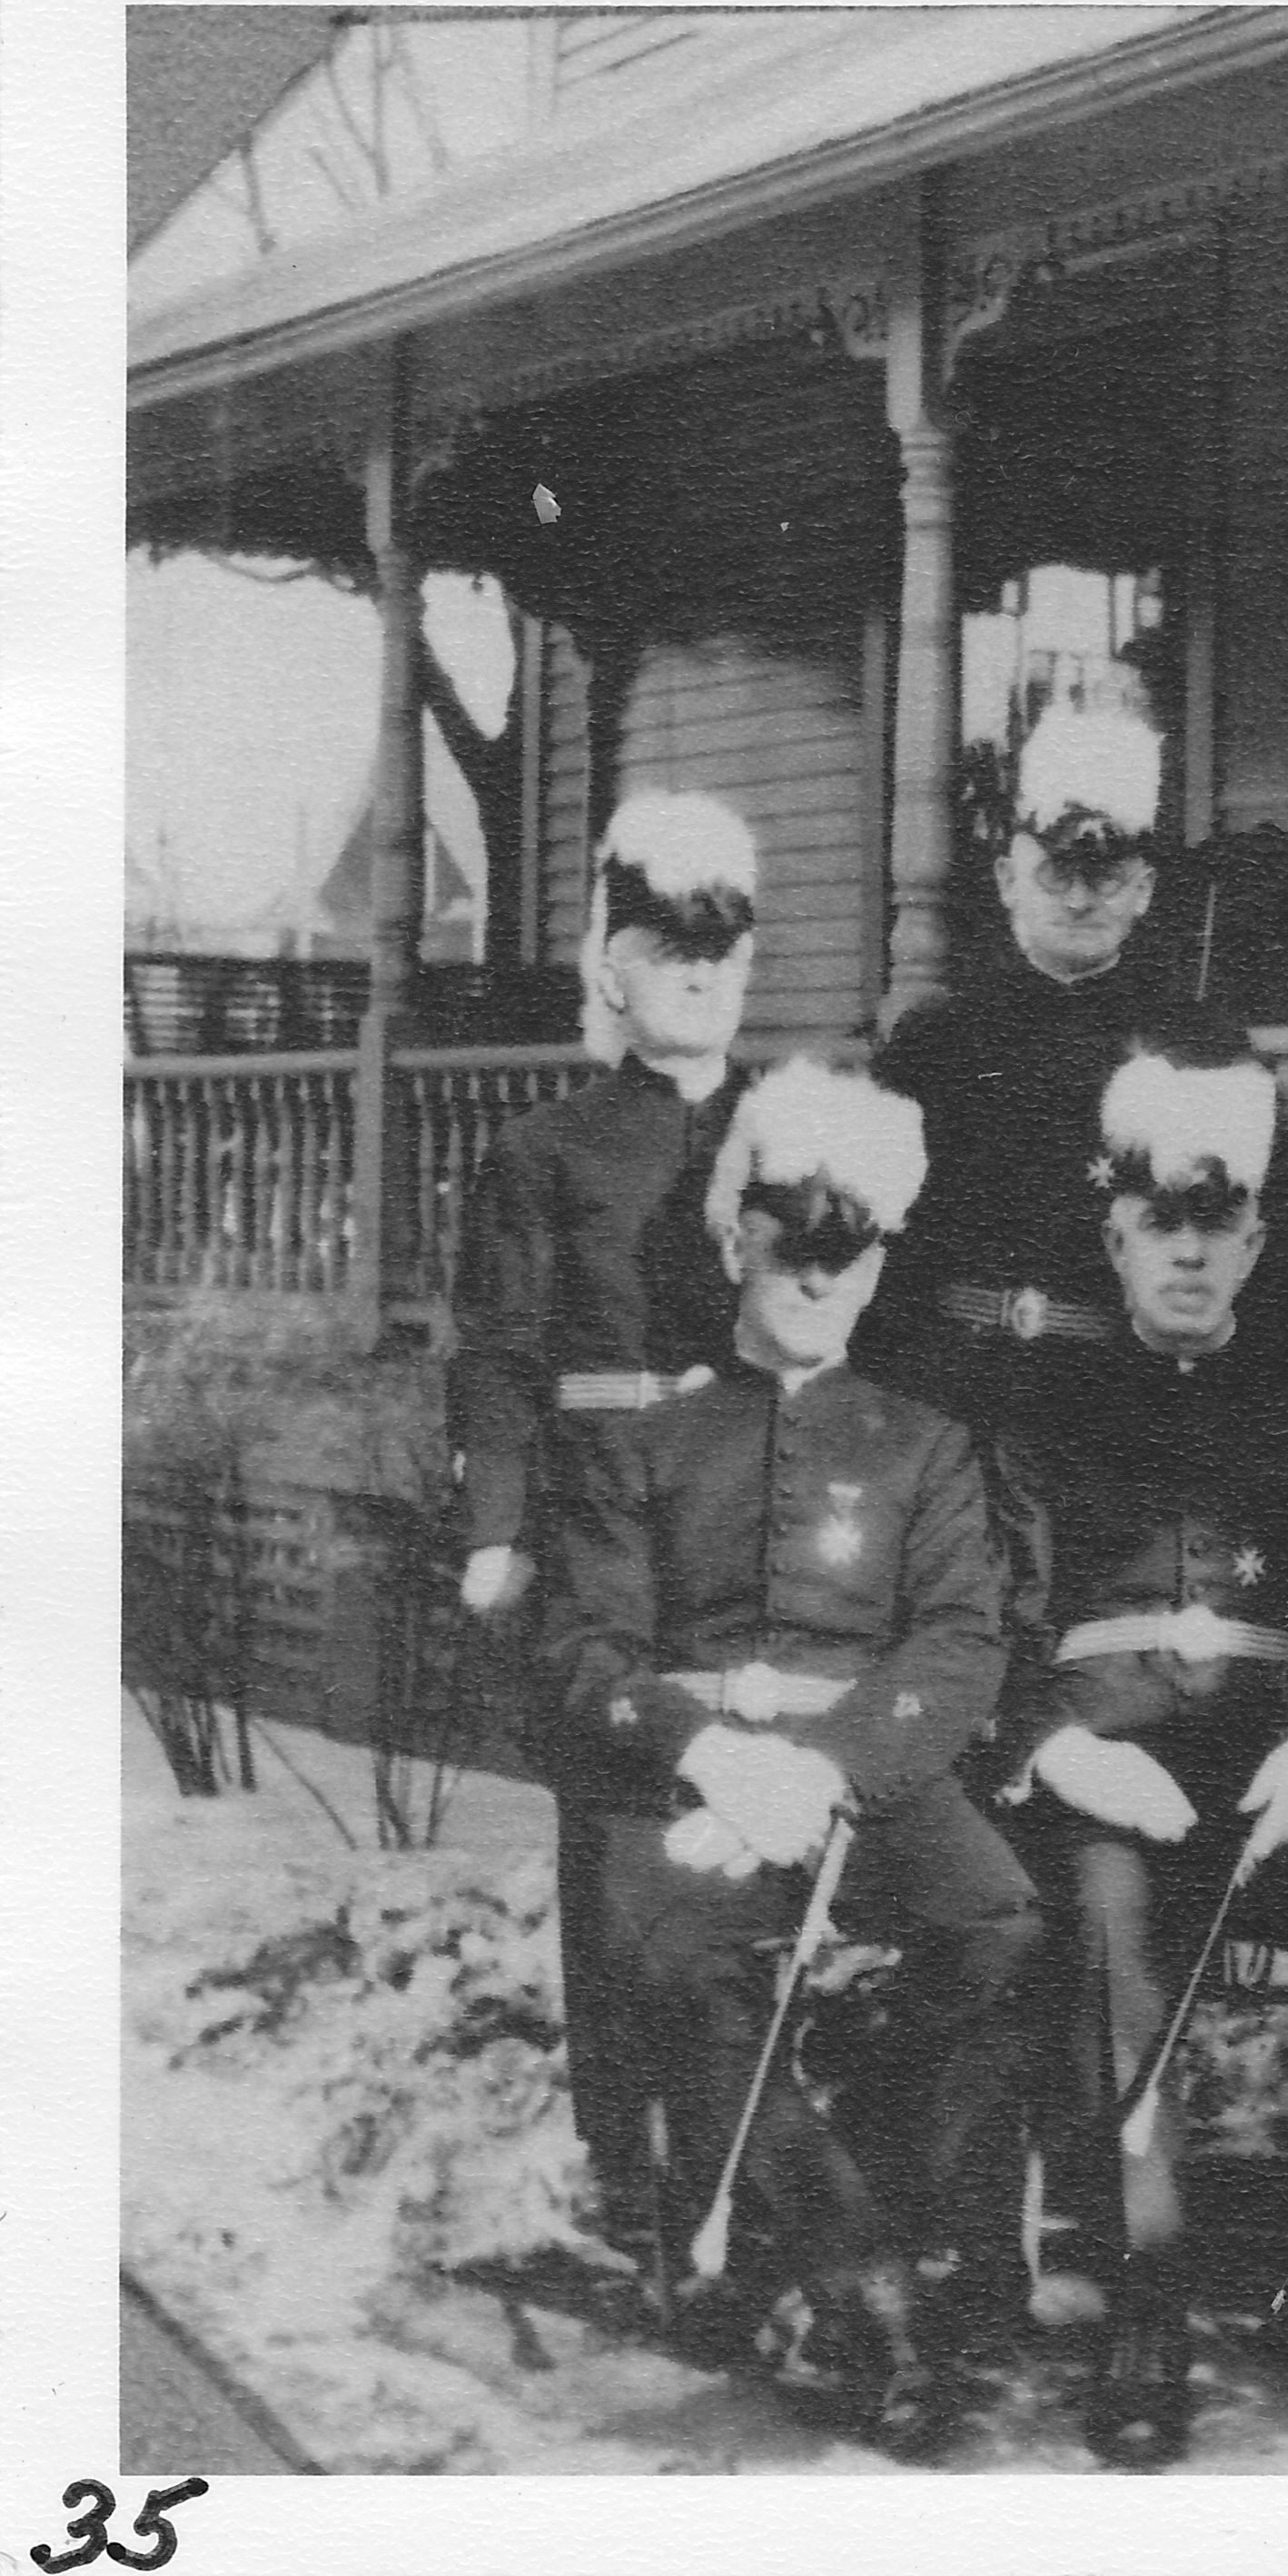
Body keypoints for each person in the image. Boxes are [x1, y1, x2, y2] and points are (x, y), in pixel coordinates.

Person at [536, 1057, 1041, 2462]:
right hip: (684, 1779)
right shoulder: (642, 1445)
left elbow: (955, 1649)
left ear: (883, 1260)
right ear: (732, 1230)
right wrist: (710, 1756)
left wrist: (819, 1767)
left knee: (995, 1923)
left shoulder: (925, 1446)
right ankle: (864, 2279)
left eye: (855, 1241)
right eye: (791, 1231)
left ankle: (843, 2175)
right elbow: (583, 1655)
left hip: (856, 1778)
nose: (820, 1269)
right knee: (685, 1955)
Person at [975, 1052, 1288, 2467]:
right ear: (1113, 1236)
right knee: (1106, 1916)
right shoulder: (1039, 1407)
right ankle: (1146, 2302)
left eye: (1216, 1229)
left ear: (1256, 1241)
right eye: (1159, 1227)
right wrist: (1053, 1748)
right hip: (1112, 1761)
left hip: (1270, 1755)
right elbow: (984, 1618)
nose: (1187, 1254)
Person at [447, 788, 760, 2246]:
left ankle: (740, 2137)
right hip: (591, 1515)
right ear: (612, 967)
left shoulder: (791, 1124)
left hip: (742, 1499)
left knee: (739, 1807)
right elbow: (503, 1354)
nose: (699, 969)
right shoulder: (547, 1150)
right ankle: (622, 2154)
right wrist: (497, 1528)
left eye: (722, 943)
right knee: (611, 1826)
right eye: (665, 942)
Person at [863, 703, 1287, 1432]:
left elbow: (1258, 1244)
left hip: (1132, 1399)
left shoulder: (1201, 1043)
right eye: (1057, 873)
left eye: (1109, 877)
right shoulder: (934, 1044)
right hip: (960, 1396)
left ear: (1147, 890)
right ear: (1005, 880)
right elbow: (882, 1247)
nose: (1082, 899)